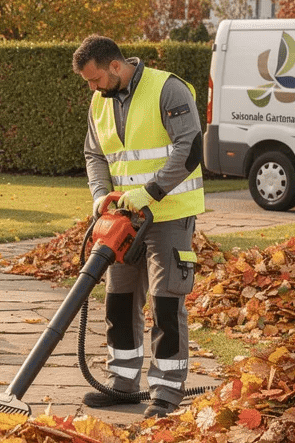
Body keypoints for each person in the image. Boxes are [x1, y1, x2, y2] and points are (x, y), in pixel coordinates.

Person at [72, 34, 205, 418]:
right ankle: (124, 384)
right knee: (119, 298)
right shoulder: (100, 101)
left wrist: (150, 192)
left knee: (165, 300)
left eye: (96, 79)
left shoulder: (168, 89)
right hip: (122, 219)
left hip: (169, 213)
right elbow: (94, 153)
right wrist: (100, 194)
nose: (93, 88)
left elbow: (190, 148)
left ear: (116, 66)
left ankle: (166, 391)